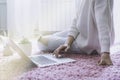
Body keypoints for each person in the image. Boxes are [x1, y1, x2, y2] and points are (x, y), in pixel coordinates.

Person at [38, 0, 114, 66]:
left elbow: (103, 25)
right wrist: (67, 43)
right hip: (81, 33)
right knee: (50, 37)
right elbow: (76, 21)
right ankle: (64, 41)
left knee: (41, 42)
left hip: (88, 43)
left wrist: (105, 52)